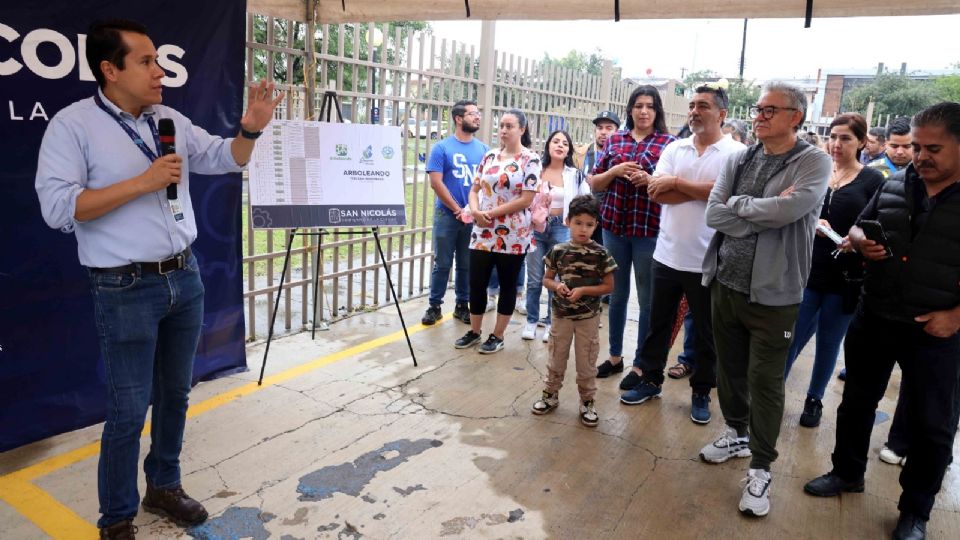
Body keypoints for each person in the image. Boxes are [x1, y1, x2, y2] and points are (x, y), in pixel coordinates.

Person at [33, 19, 283, 539]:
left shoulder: (166, 118)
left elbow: (225, 157)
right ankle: (117, 517)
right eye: (145, 62)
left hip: (184, 277)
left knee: (176, 394)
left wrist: (251, 129)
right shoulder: (72, 125)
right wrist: (142, 182)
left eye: (158, 61)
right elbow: (58, 209)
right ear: (110, 69)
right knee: (127, 408)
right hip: (123, 285)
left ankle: (163, 485)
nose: (158, 71)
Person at [804, 102, 960, 540]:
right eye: (916, 146)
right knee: (856, 403)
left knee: (932, 424)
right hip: (875, 315)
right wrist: (859, 241)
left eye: (934, 148)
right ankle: (847, 472)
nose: (921, 156)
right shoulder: (897, 182)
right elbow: (856, 226)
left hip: (936, 329)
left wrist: (955, 316)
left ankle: (915, 511)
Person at [698, 82, 830, 517]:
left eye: (771, 109)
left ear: (796, 116)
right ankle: (736, 433)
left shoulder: (813, 162)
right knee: (730, 370)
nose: (760, 115)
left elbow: (790, 211)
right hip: (725, 282)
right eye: (758, 108)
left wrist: (744, 207)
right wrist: (758, 209)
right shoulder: (740, 157)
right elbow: (714, 212)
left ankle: (761, 467)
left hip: (774, 295)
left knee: (766, 381)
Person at [619, 86, 745, 425]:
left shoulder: (736, 153)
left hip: (709, 260)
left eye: (702, 105)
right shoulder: (677, 147)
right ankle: (650, 379)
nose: (693, 111)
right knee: (658, 324)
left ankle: (701, 391)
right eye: (691, 105)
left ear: (721, 113)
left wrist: (678, 183)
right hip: (667, 255)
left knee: (706, 332)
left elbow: (728, 199)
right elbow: (656, 192)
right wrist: (702, 192)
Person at [783, 113, 884, 428]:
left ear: (861, 142)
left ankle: (814, 399)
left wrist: (857, 239)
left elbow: (880, 226)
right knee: (790, 335)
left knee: (829, 341)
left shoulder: (873, 180)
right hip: (807, 269)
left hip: (846, 276)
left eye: (846, 138)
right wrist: (810, 223)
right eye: (833, 136)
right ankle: (771, 389)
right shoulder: (815, 171)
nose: (837, 144)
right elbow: (790, 209)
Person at [590, 85, 676, 389]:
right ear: (630, 109)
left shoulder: (670, 144)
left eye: (650, 106)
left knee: (648, 300)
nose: (643, 111)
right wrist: (616, 171)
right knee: (616, 294)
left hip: (648, 232)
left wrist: (650, 179)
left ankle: (641, 363)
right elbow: (594, 183)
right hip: (614, 228)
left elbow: (674, 189)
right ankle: (615, 356)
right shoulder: (615, 140)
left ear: (657, 111)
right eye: (638, 105)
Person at [455, 109, 540, 354]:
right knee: (477, 282)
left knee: (507, 283)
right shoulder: (489, 156)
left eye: (509, 126)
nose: (503, 130)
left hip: (513, 234)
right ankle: (474, 330)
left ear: (522, 129)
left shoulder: (530, 159)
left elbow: (526, 199)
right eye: (501, 125)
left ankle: (498, 335)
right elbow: (474, 190)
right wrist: (475, 210)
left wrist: (491, 214)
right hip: (482, 230)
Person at [531, 195, 616, 426]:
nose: (583, 229)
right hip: (561, 317)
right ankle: (550, 395)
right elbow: (547, 280)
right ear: (568, 221)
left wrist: (584, 290)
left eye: (589, 224)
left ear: (596, 225)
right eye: (578, 222)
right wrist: (557, 286)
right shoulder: (558, 250)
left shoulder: (601, 254)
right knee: (556, 357)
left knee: (587, 362)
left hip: (588, 318)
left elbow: (609, 286)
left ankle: (587, 401)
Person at [421, 100, 488, 326]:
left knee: (467, 263)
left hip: (473, 216)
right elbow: (436, 183)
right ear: (459, 119)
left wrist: (473, 209)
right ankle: (435, 306)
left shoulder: (484, 150)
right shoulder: (441, 148)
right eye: (472, 114)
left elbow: (487, 184)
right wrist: (458, 209)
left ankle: (462, 305)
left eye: (478, 113)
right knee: (442, 262)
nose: (477, 117)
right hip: (447, 216)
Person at [522, 130, 591, 342]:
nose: (560, 145)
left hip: (561, 227)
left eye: (564, 143)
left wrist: (575, 222)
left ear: (569, 149)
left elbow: (586, 199)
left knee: (557, 278)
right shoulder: (536, 170)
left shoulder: (574, 174)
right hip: (536, 228)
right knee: (534, 279)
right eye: (555, 142)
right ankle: (531, 320)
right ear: (548, 146)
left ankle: (552, 321)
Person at [575, 111, 620, 246]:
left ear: (617, 132)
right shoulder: (580, 154)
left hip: (607, 218)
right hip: (582, 215)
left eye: (609, 128)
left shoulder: (621, 156)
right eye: (600, 128)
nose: (603, 132)